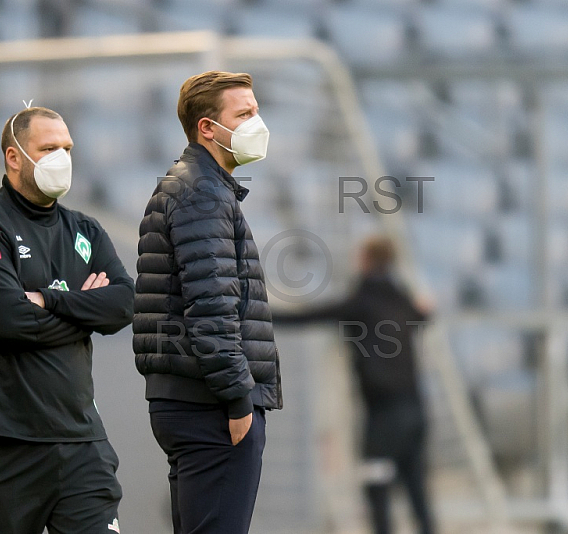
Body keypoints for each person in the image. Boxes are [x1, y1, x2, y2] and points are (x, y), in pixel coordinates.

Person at [0, 106, 134, 534]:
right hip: (1, 441)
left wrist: (48, 300)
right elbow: (10, 322)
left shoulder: (84, 229)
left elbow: (124, 304)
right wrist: (86, 312)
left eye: (66, 148)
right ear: (14, 157)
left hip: (81, 439)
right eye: (48, 148)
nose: (61, 158)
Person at [133, 71, 282, 534]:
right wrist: (238, 401)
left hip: (194, 401)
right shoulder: (201, 191)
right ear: (207, 128)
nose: (258, 122)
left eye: (256, 111)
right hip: (212, 406)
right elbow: (211, 305)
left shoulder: (202, 186)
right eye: (244, 114)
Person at [274, 235, 436, 534]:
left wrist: (265, 315)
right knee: (417, 494)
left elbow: (312, 315)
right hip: (416, 410)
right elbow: (424, 314)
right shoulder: (401, 298)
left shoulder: (362, 302)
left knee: (377, 489)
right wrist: (427, 311)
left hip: (384, 417)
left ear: (365, 260)